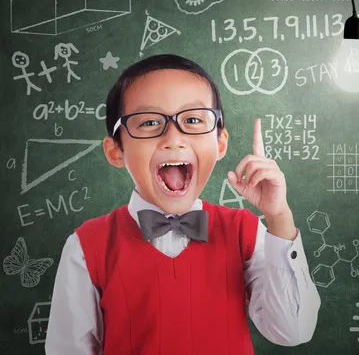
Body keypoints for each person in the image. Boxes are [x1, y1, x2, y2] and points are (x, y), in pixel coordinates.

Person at [45, 54, 321, 354]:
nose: (173, 138)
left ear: (220, 143)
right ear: (115, 151)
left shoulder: (246, 232)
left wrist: (278, 216)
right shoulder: (86, 247)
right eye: (149, 122)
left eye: (192, 120)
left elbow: (292, 331)